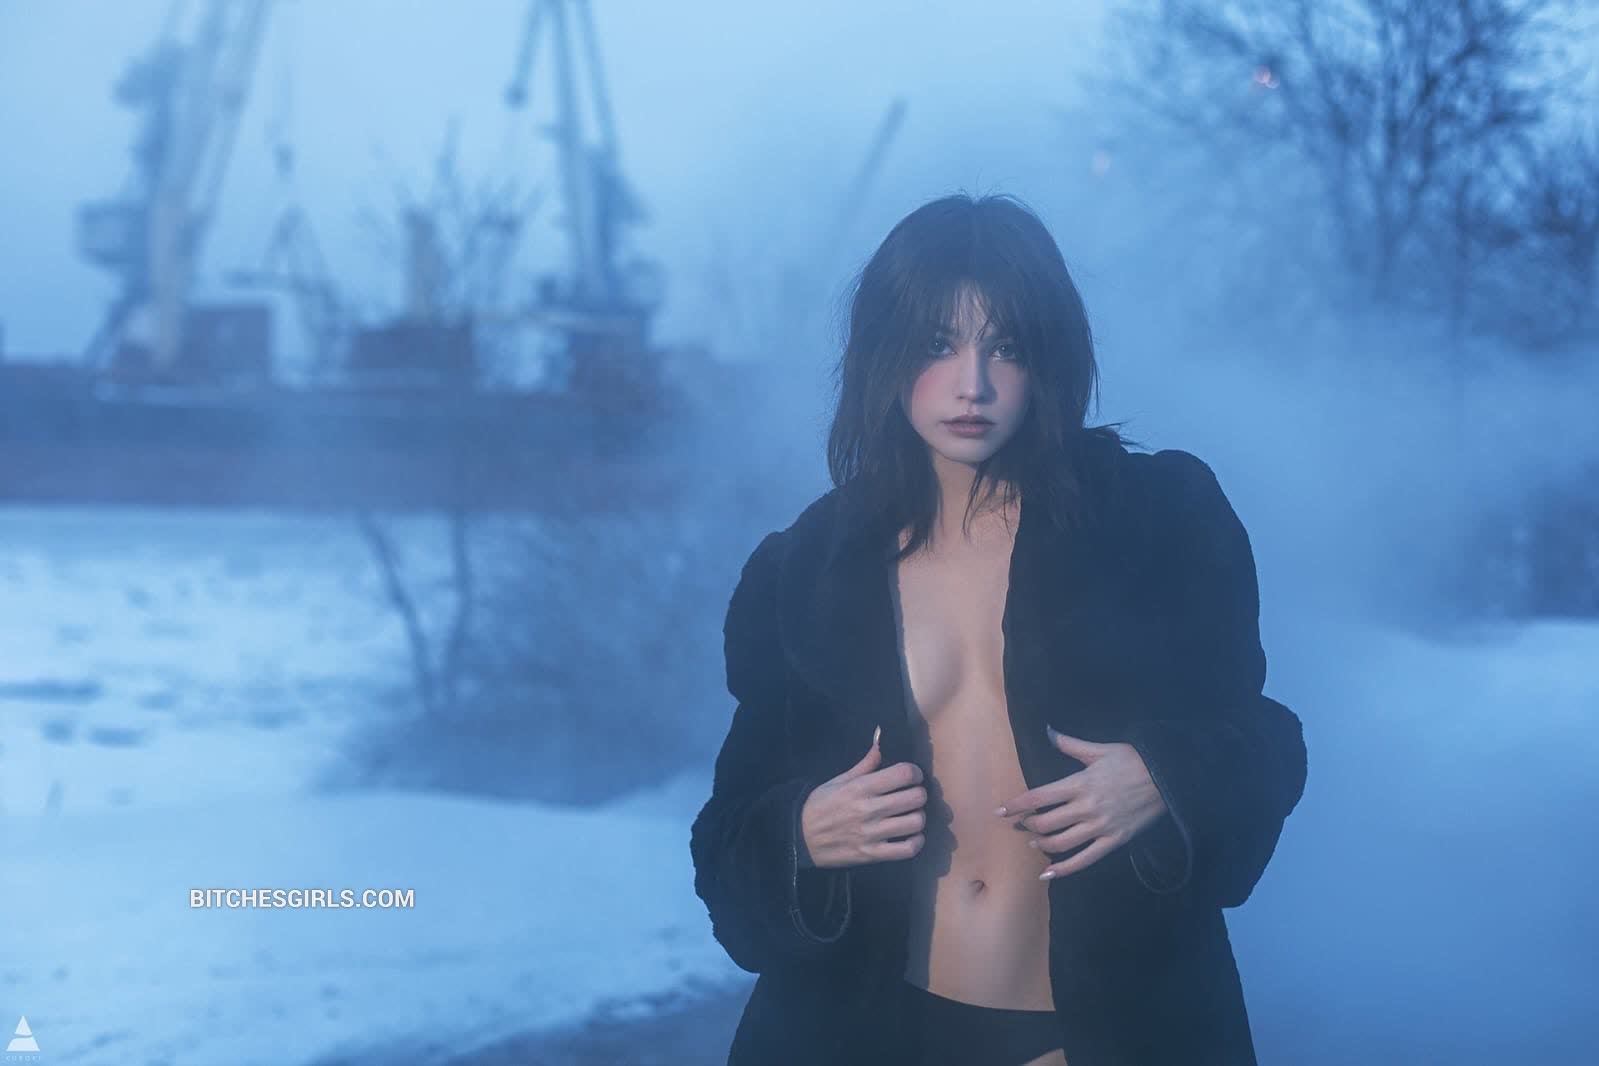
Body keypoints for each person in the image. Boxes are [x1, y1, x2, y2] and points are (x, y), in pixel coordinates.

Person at [690, 192, 1308, 1066]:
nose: (971, 384)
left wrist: (1166, 777)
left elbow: (1266, 742)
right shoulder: (803, 570)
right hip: (862, 1032)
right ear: (882, 353)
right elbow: (725, 840)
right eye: (936, 344)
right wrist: (798, 832)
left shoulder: (1159, 519)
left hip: (1101, 1031)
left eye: (1005, 347)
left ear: (1050, 356)